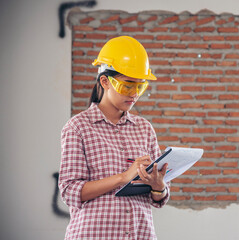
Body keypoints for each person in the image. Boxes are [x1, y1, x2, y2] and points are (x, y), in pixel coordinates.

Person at [59, 36, 170, 240]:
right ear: (105, 81)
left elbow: (158, 200)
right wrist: (123, 177)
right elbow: (70, 192)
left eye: (140, 86)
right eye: (128, 85)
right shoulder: (78, 127)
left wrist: (159, 186)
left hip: (140, 234)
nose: (134, 94)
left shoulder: (144, 129)